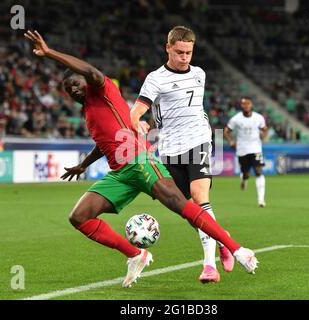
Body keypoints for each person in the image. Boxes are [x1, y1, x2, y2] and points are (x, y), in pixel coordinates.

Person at [24, 30, 258, 288]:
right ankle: (136, 254)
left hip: (139, 159)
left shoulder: (102, 89)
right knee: (79, 217)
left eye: (76, 84)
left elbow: (90, 71)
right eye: (69, 89)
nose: (74, 90)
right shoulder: (90, 110)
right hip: (120, 172)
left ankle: (237, 249)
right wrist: (84, 164)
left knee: (183, 204)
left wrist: (50, 53)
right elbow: (106, 143)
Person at [130, 26, 234, 283]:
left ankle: (209, 266)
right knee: (187, 209)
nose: (185, 57)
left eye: (189, 52)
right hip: (169, 150)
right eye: (179, 52)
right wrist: (138, 124)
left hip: (199, 141)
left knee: (200, 197)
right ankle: (222, 238)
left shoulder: (200, 74)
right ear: (168, 48)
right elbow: (136, 112)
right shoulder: (155, 79)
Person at [224, 97, 268, 207]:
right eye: (244, 104)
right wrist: (231, 142)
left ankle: (261, 200)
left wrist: (263, 136)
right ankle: (244, 179)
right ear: (241, 105)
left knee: (258, 171)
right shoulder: (236, 119)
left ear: (251, 105)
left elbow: (264, 129)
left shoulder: (259, 118)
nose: (246, 106)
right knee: (246, 174)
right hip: (242, 149)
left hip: (256, 148)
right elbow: (226, 132)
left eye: (248, 103)